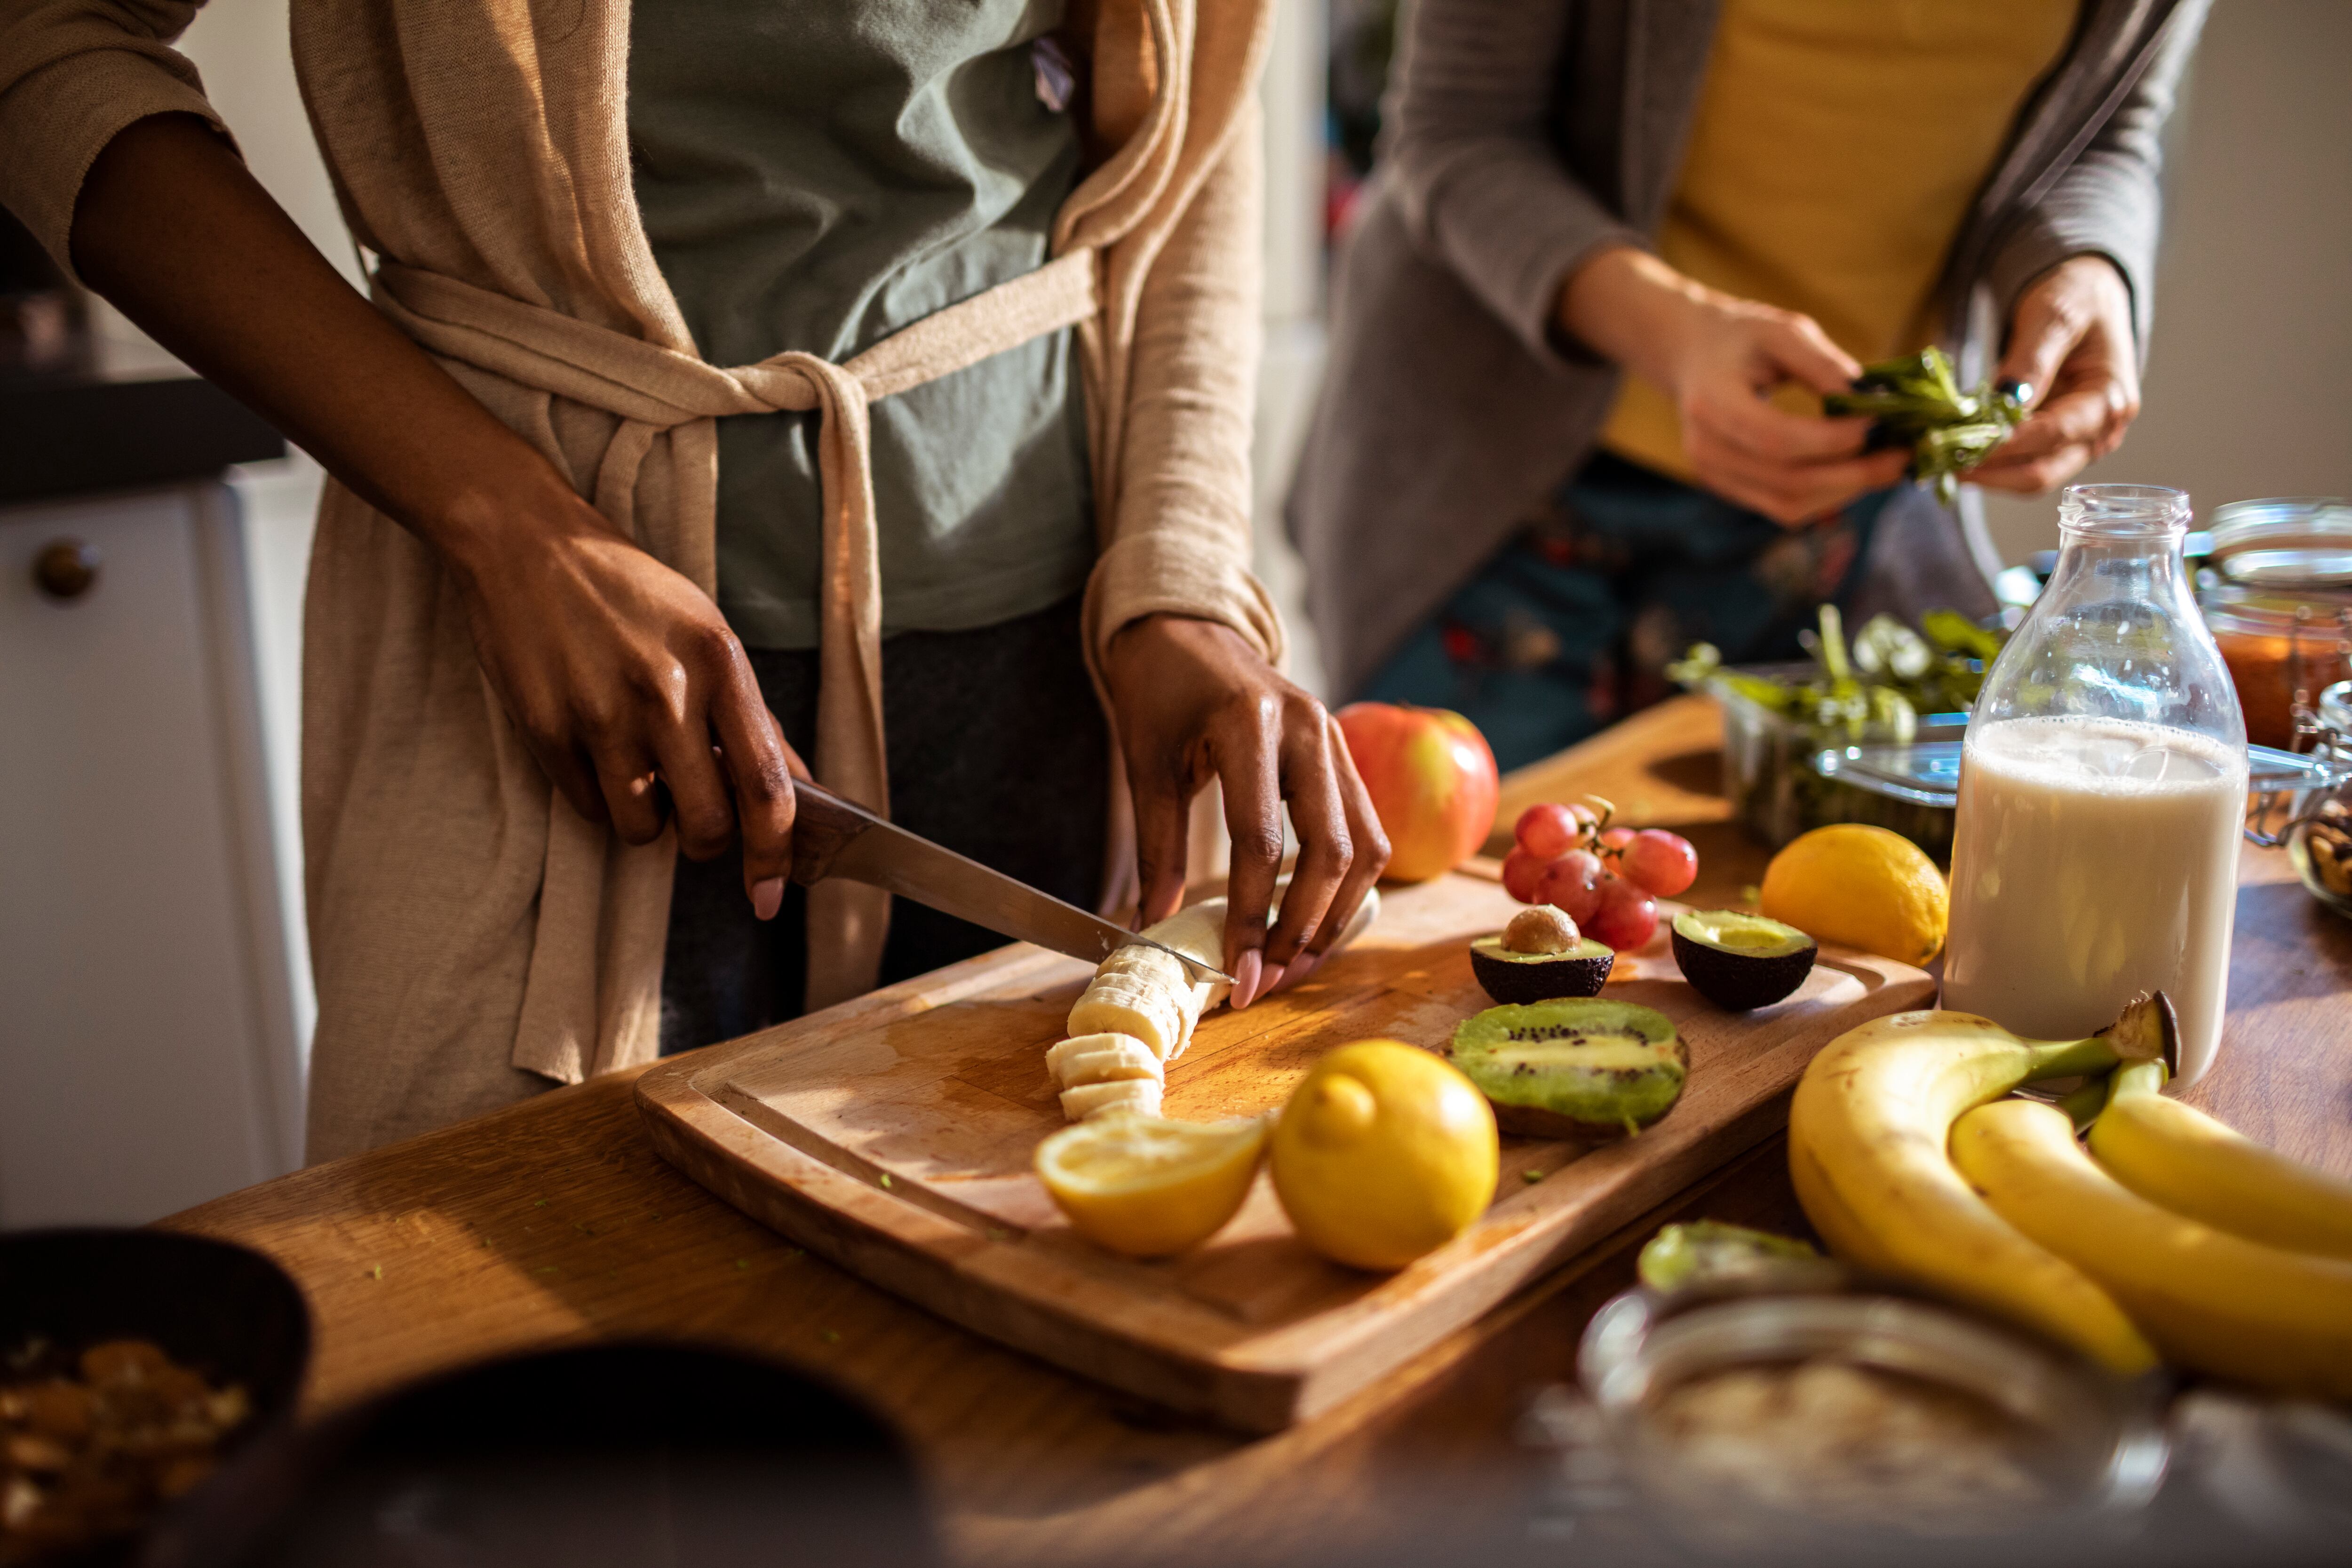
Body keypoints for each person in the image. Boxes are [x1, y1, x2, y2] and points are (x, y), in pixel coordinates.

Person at [0, 0, 1385, 1159]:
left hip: (1052, 673)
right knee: (514, 1378)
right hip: (546, 684)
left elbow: (1200, 121)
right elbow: (44, 39)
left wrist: (1183, 574)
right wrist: (504, 523)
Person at [1289, 0, 2209, 771]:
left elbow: (2105, 132)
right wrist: (1675, 333)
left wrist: (2086, 269)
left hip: (1835, 515)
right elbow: (1457, 128)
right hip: (1488, 484)